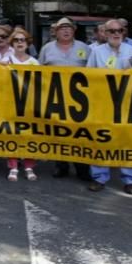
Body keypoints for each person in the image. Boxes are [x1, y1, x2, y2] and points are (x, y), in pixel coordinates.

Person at [86, 20, 132, 195]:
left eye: (119, 30)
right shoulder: (96, 52)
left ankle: (129, 180)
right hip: (103, 103)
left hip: (127, 103)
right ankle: (99, 177)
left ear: (124, 32)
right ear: (104, 33)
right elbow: (89, 76)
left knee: (128, 141)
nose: (115, 33)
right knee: (100, 140)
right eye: (111, 31)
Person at [39, 17, 92, 180]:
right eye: (62, 28)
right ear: (56, 31)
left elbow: (94, 71)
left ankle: (82, 166)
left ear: (74, 30)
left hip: (80, 101)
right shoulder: (47, 49)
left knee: (80, 134)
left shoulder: (85, 48)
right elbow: (39, 72)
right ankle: (61, 165)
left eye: (69, 27)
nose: (66, 30)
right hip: (55, 98)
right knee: (59, 133)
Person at [5, 27, 39, 182]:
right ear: (12, 43)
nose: (19, 43)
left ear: (27, 43)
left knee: (28, 134)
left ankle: (29, 165)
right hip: (10, 103)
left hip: (29, 104)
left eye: (22, 40)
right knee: (12, 134)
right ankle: (13, 166)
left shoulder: (34, 62)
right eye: (16, 40)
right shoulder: (6, 61)